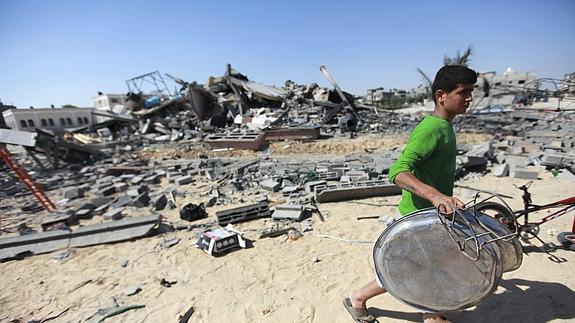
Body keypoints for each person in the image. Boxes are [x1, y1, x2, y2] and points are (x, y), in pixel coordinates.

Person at [344, 65, 477, 323]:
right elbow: (398, 171)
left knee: (429, 265)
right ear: (441, 95)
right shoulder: (432, 129)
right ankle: (357, 298)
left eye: (471, 92)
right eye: (464, 92)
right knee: (403, 270)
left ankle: (431, 314)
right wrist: (436, 196)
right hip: (416, 217)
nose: (469, 98)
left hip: (430, 216)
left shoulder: (446, 127)